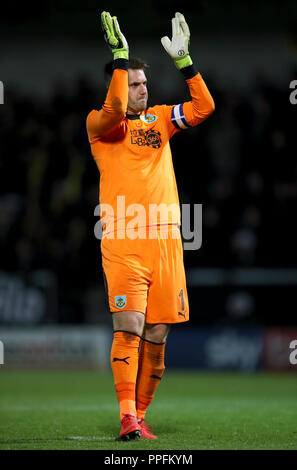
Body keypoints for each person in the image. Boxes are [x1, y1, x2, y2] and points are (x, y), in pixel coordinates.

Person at [86, 11, 215, 441]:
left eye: (144, 83)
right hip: (124, 243)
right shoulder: (100, 127)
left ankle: (139, 418)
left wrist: (186, 64)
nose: (142, 90)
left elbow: (203, 108)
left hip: (166, 245)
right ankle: (126, 416)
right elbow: (116, 108)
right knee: (131, 328)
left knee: (157, 338)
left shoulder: (160, 119)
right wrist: (120, 59)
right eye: (134, 83)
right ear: (120, 84)